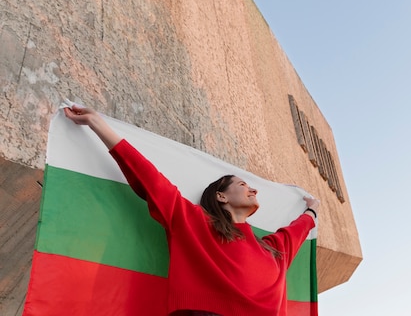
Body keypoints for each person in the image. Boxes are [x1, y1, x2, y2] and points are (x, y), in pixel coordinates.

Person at [63, 104, 320, 316]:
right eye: (243, 185)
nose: (253, 190)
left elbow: (296, 231)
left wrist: (312, 212)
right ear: (221, 196)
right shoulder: (195, 223)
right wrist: (98, 125)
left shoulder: (272, 249)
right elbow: (151, 181)